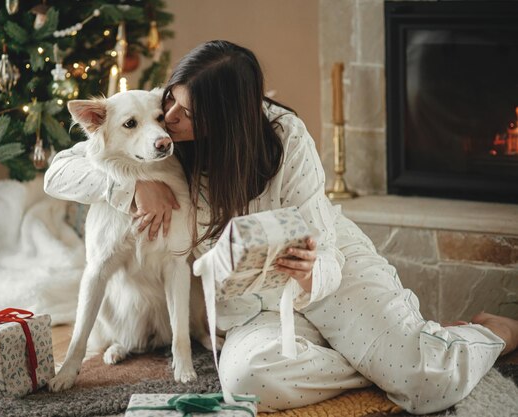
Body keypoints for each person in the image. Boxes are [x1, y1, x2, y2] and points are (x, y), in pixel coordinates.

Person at [44, 40, 518, 414]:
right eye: (171, 100)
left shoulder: (286, 138)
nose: (168, 120)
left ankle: (490, 333)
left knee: (426, 385)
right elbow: (60, 172)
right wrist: (132, 189)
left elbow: (325, 247)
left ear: (228, 118)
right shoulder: (159, 135)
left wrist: (315, 274)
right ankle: (382, 360)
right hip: (251, 304)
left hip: (332, 275)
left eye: (186, 113)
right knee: (246, 382)